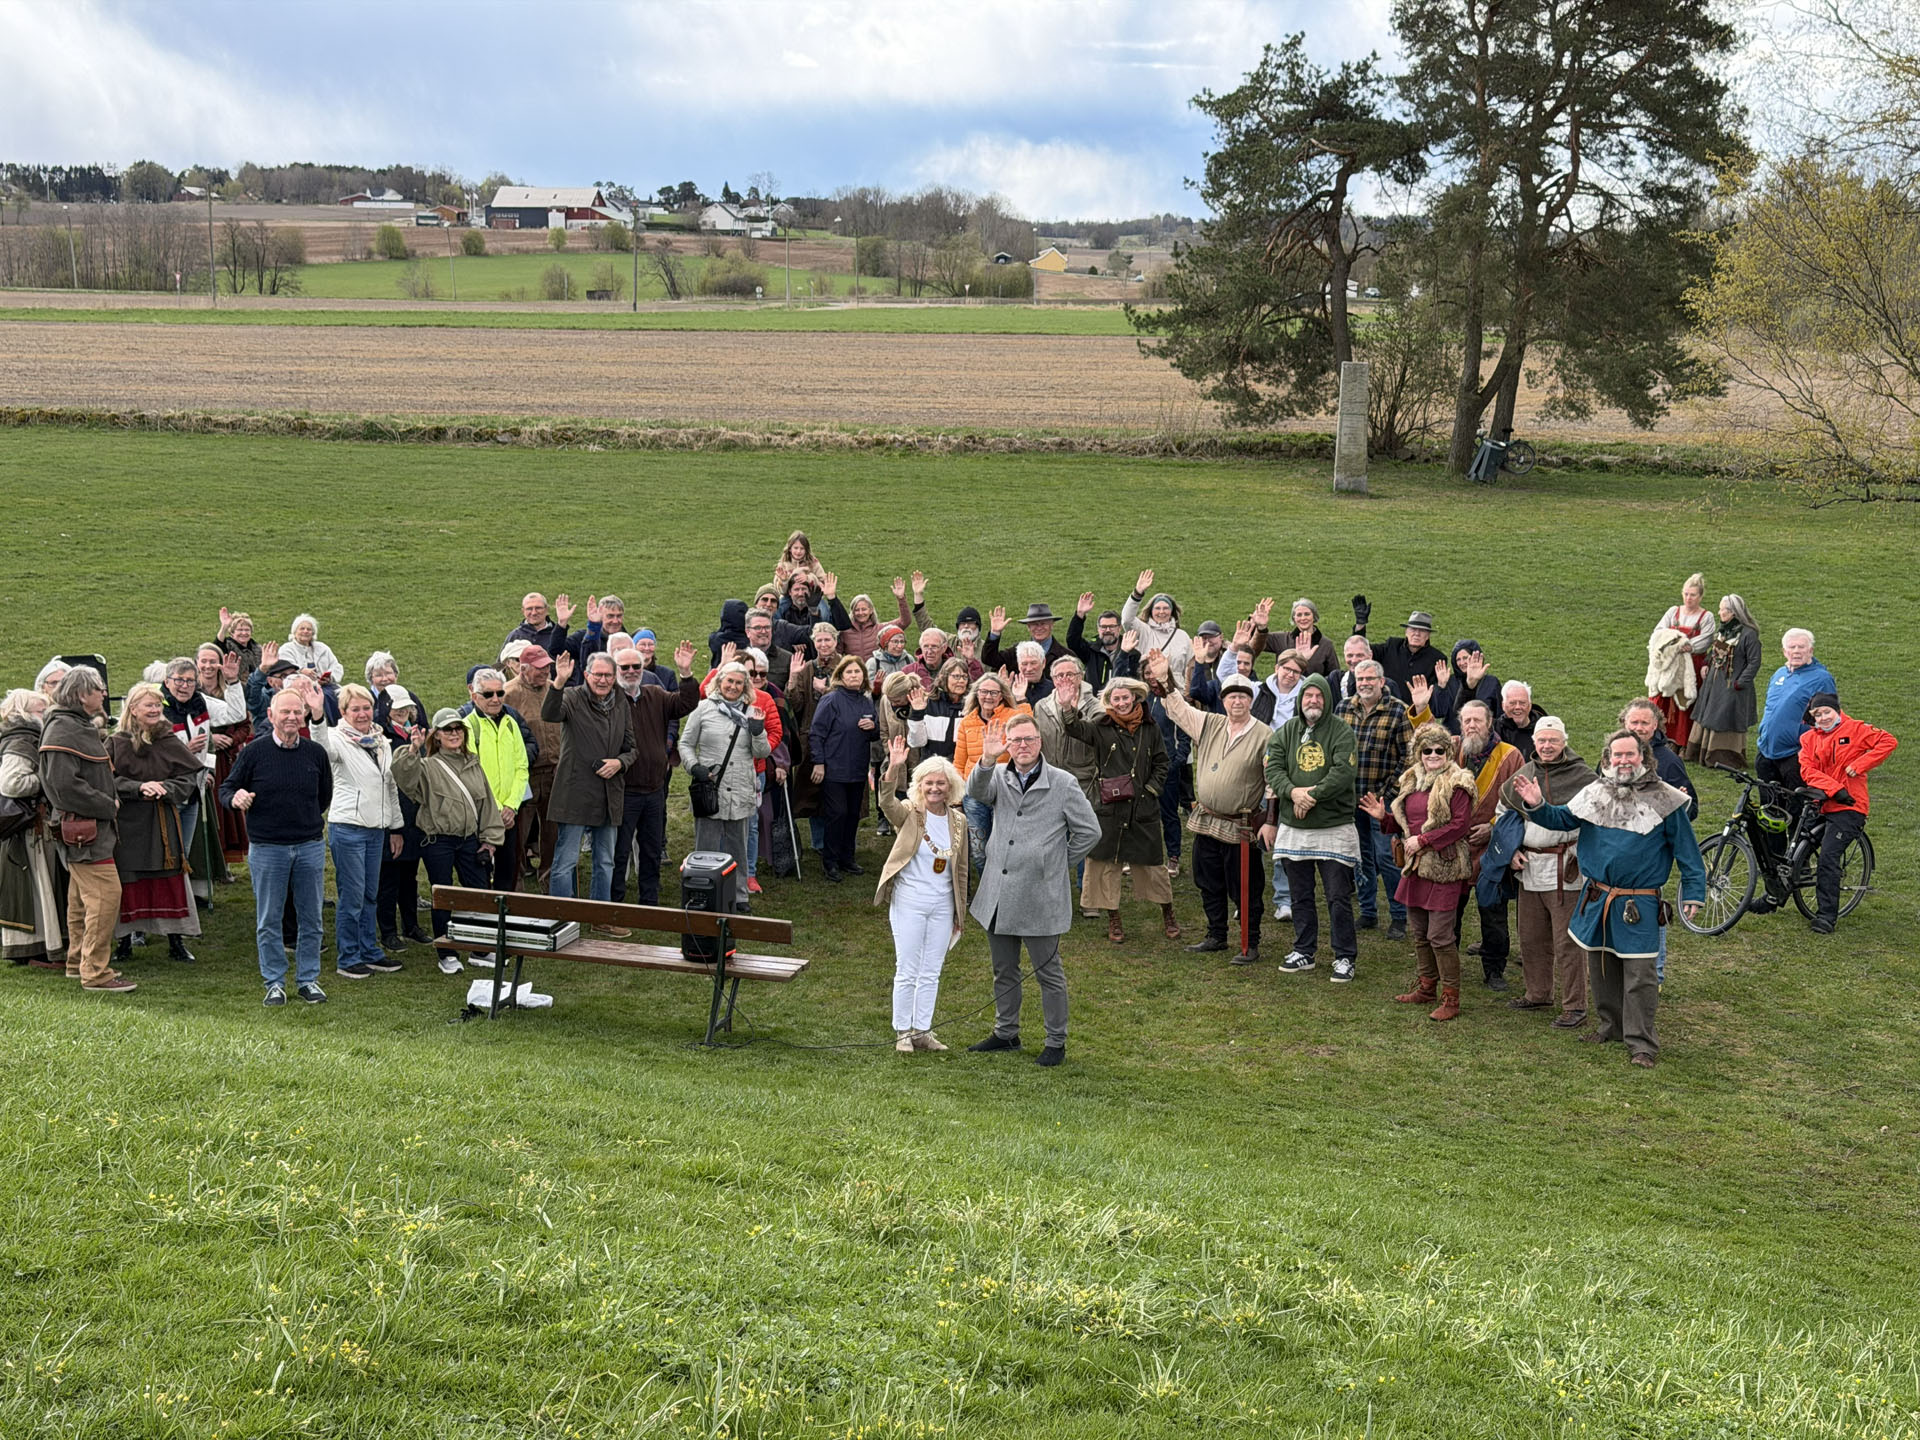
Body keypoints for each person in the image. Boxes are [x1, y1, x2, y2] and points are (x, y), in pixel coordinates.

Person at [1512, 730, 1706, 1068]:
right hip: (1597, 897)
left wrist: (1694, 890)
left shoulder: (1666, 799)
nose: (1623, 761)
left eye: (1630, 755)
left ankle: (1641, 1042)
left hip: (1639, 903)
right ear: (1607, 759)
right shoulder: (1595, 793)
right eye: (1617, 755)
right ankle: (1610, 1026)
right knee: (1602, 967)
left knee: (1640, 974)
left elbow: (1687, 850)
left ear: (1644, 758)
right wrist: (1537, 804)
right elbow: (1561, 820)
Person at [965, 714, 1101, 1067]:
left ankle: (1056, 1041)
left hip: (1041, 895)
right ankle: (1006, 1032)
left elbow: (1089, 832)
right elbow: (975, 794)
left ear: (1040, 742)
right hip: (998, 892)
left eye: (1029, 739)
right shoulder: (997, 774)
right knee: (1003, 969)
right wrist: (986, 760)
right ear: (1007, 744)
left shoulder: (1064, 782)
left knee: (1048, 972)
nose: (1022, 746)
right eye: (1016, 741)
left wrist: (1054, 863)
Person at [1148, 652, 1272, 964]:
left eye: (1243, 697)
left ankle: (1250, 942)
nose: (1237, 703)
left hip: (1240, 825)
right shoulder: (1211, 723)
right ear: (1224, 700)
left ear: (1251, 700)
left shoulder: (1265, 735)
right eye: (1231, 697)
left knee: (1245, 887)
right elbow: (1178, 709)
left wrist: (1270, 819)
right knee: (1207, 880)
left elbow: (1273, 780)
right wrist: (1164, 679)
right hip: (1207, 820)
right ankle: (1216, 934)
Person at [221, 687, 334, 1005]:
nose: (291, 717)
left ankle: (308, 979)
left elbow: (323, 796)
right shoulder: (254, 753)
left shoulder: (315, 753)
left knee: (311, 918)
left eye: (297, 712)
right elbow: (226, 787)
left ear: (304, 716)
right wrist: (236, 798)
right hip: (268, 849)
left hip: (309, 846)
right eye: (284, 712)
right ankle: (274, 982)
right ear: (270, 716)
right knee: (269, 919)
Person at [1359, 723, 1477, 1020]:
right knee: (1420, 932)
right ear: (1419, 753)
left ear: (1448, 752)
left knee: (1440, 935)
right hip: (1415, 867)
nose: (1433, 755)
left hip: (1445, 866)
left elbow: (1460, 825)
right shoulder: (1412, 779)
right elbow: (1405, 825)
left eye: (1439, 750)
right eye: (1427, 750)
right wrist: (1384, 819)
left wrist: (1423, 840)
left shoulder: (1459, 781)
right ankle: (1426, 987)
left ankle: (1450, 998)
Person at [1061, 676, 1179, 943]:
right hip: (1109, 809)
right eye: (1116, 699)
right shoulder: (1101, 726)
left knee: (1152, 865)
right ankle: (1114, 919)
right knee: (1105, 865)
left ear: (1135, 698)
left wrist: (1150, 790)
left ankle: (1168, 913)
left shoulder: (1151, 727)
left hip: (1143, 808)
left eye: (1126, 697)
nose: (1122, 703)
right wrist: (1068, 707)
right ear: (1109, 702)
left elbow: (1162, 761)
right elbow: (1075, 729)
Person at [40, 668, 133, 992]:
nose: (103, 694)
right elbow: (64, 786)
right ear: (81, 694)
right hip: (85, 831)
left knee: (81, 900)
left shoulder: (72, 726)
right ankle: (95, 972)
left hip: (86, 829)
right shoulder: (64, 729)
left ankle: (76, 962)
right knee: (107, 896)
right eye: (98, 689)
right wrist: (108, 805)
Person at [1497, 717, 1595, 1025]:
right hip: (1529, 868)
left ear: (1564, 742)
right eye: (1542, 741)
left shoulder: (1583, 777)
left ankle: (1575, 1005)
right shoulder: (1524, 775)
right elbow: (1504, 817)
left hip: (1565, 869)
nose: (1547, 746)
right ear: (1535, 743)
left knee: (1567, 942)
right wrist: (1511, 851)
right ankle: (1537, 992)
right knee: (1531, 937)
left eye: (1553, 740)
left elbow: (1595, 820)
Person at [875, 735, 970, 1053]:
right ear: (921, 785)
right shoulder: (910, 813)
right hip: (910, 901)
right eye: (929, 783)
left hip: (943, 905)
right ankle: (902, 1031)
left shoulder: (959, 821)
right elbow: (886, 803)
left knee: (932, 970)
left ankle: (922, 1031)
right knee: (907, 967)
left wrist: (960, 912)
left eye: (941, 783)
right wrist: (894, 767)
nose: (935, 789)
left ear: (951, 786)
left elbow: (961, 870)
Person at [305, 680, 403, 980]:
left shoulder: (381, 740)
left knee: (370, 894)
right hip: (348, 827)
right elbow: (320, 748)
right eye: (355, 709)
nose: (362, 714)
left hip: (377, 830)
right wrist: (318, 716)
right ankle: (348, 957)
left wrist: (396, 826)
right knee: (352, 895)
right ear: (344, 712)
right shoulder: (336, 739)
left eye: (366, 708)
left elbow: (390, 786)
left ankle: (369, 951)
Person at [392, 708, 503, 972]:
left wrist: (490, 840)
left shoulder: (474, 764)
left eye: (458, 729)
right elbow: (403, 777)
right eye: (447, 729)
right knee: (443, 895)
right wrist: (413, 750)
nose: (454, 734)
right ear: (437, 735)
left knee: (479, 894)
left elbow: (486, 804)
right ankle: (447, 952)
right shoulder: (428, 765)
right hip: (437, 840)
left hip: (469, 840)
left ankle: (480, 949)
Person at [1267, 673, 1361, 981]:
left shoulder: (1341, 731)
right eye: (1308, 696)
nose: (1313, 701)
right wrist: (1293, 793)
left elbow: (1343, 772)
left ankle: (1345, 956)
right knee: (1300, 894)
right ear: (1299, 699)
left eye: (1318, 696)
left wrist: (1312, 796)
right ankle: (1304, 950)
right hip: (1295, 826)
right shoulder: (1286, 732)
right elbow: (1275, 768)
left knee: (1337, 895)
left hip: (1333, 825)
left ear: (1327, 699)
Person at [107, 682, 205, 967]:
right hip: (128, 826)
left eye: (156, 706)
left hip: (162, 823)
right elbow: (107, 780)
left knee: (170, 878)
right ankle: (124, 942)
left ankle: (177, 941)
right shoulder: (116, 743)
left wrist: (165, 787)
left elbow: (188, 778)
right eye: (147, 705)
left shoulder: (169, 741)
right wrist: (139, 787)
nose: (154, 710)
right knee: (129, 881)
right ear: (133, 709)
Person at [1796, 692, 1896, 934]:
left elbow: (1888, 741)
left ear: (1837, 710)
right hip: (1823, 802)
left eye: (1826, 712)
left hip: (1850, 806)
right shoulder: (1809, 739)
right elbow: (1807, 770)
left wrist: (1859, 765)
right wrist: (1834, 788)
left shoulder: (1856, 729)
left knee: (1829, 858)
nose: (1823, 717)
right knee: (1794, 851)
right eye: (1817, 714)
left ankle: (1826, 916)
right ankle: (1773, 896)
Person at [609, 641, 701, 905]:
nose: (630, 671)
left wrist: (685, 674)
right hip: (623, 790)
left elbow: (686, 704)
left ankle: (649, 902)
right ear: (616, 670)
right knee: (619, 851)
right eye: (624, 667)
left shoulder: (656, 694)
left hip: (654, 790)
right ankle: (615, 903)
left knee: (651, 851)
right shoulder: (609, 699)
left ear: (643, 667)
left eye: (635, 666)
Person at [542, 652, 635, 908]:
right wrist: (559, 682)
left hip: (608, 795)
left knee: (605, 861)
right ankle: (560, 917)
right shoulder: (571, 697)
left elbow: (632, 748)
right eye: (598, 675)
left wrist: (620, 763)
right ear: (586, 675)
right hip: (575, 793)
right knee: (566, 862)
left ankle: (599, 917)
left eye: (608, 675)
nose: (603, 680)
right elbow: (549, 714)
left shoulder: (621, 703)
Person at [678, 659, 771, 907]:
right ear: (719, 681)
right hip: (710, 787)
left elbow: (762, 753)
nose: (733, 686)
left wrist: (758, 730)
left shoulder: (752, 712)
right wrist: (694, 767)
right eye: (729, 681)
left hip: (740, 788)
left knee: (737, 848)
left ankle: (739, 897)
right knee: (705, 847)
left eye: (739, 683)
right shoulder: (703, 709)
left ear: (745, 686)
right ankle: (702, 893)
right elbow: (685, 743)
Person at [1336, 658, 1413, 941]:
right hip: (1351, 798)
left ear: (1382, 682)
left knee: (1387, 855)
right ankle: (1368, 911)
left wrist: (1388, 793)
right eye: (1360, 679)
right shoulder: (1344, 707)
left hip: (1383, 801)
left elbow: (1409, 756)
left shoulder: (1398, 712)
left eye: (1370, 679)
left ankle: (1399, 915)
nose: (1365, 684)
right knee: (1359, 856)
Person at [160, 653, 245, 899]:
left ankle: (182, 899)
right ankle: (167, 898)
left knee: (185, 848)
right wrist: (185, 751)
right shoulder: (156, 706)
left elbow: (235, 715)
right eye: (179, 680)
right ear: (167, 682)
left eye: (189, 680)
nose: (185, 686)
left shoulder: (201, 703)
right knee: (167, 847)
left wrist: (233, 682)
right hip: (166, 787)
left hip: (195, 788)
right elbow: (149, 750)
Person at [1454, 700, 1524, 989]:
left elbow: (1519, 805)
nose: (1472, 725)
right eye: (1466, 720)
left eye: (1477, 720)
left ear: (1489, 722)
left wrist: (1492, 828)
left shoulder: (1510, 756)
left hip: (1490, 850)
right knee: (1449, 911)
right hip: (1454, 847)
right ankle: (1446, 964)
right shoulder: (1453, 750)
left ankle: (1494, 969)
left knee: (1493, 911)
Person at [0, 689, 63, 969]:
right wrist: (46, 781)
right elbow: (11, 784)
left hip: (28, 827)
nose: (45, 715)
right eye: (40, 710)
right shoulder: (21, 739)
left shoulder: (22, 736)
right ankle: (36, 951)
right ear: (24, 712)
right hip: (28, 827)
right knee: (36, 888)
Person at [460, 667, 531, 892]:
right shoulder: (468, 727)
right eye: (488, 694)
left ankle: (504, 921)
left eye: (500, 693)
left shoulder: (511, 723)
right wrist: (498, 809)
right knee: (480, 876)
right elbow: (472, 773)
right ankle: (483, 923)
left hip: (509, 814)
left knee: (507, 872)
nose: (495, 699)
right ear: (474, 696)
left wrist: (512, 805)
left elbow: (522, 767)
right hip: (482, 815)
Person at [810, 655, 878, 883]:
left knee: (852, 815)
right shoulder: (831, 700)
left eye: (857, 672)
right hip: (835, 768)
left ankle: (847, 858)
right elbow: (817, 733)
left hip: (858, 768)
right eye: (849, 672)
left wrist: (872, 727)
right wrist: (819, 762)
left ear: (863, 676)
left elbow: (875, 734)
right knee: (837, 813)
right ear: (840, 676)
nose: (853, 676)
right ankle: (830, 861)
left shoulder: (866, 701)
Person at [953, 672, 1031, 868]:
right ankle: (986, 894)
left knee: (1003, 848)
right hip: (974, 795)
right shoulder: (967, 722)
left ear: (1001, 695)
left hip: (1005, 791)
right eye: (984, 692)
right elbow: (959, 763)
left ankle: (1003, 893)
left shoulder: (1012, 717)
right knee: (979, 851)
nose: (988, 697)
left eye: (993, 693)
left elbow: (1030, 731)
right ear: (977, 694)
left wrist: (1022, 699)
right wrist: (957, 798)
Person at [502, 642, 562, 889]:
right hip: (524, 774)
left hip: (555, 771)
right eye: (539, 668)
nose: (545, 672)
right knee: (519, 832)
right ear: (523, 669)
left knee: (552, 831)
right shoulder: (508, 694)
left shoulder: (554, 689)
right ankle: (516, 882)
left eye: (547, 667)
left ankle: (549, 879)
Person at [374, 689, 429, 950]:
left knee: (409, 875)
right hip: (390, 816)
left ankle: (411, 925)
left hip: (414, 815)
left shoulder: (415, 734)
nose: (402, 713)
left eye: (406, 709)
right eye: (397, 709)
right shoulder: (382, 738)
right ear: (386, 710)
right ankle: (388, 931)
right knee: (389, 878)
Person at [1686, 595, 1763, 769]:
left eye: (1723, 609)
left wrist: (1739, 683)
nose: (1719, 612)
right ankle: (1701, 751)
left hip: (1732, 686)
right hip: (1715, 684)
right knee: (1710, 714)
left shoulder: (1749, 635)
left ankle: (1723, 756)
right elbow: (1715, 651)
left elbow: (1754, 662)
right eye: (1720, 608)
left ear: (1734, 612)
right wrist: (1706, 663)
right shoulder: (1724, 631)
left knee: (1724, 716)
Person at [1652, 573, 1715, 750]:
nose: (1689, 598)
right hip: (1670, 665)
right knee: (1663, 699)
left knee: (1685, 701)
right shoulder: (1673, 612)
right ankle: (1660, 737)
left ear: (1700, 596)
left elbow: (1706, 639)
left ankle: (1683, 742)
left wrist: (1687, 645)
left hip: (1691, 666)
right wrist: (1675, 645)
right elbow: (1659, 632)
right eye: (1686, 594)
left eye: (1693, 595)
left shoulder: (1706, 617)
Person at [1352, 601, 1444, 696]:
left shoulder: (1437, 659)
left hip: (1415, 709)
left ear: (1428, 635)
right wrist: (1360, 625)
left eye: (1422, 630)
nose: (1417, 633)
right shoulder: (1391, 646)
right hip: (1386, 706)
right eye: (1413, 629)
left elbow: (1437, 695)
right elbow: (1364, 651)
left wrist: (1442, 685)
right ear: (1406, 632)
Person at [1120, 570, 1194, 688]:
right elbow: (1126, 619)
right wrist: (1137, 593)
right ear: (1151, 611)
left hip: (1176, 692)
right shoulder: (1143, 630)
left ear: (1171, 611)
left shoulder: (1182, 636)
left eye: (1165, 608)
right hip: (1150, 690)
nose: (1161, 612)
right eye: (1157, 608)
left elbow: (1189, 668)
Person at [1415, 639, 1500, 733]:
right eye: (1458, 659)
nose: (1462, 663)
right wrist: (1441, 687)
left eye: (1465, 658)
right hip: (1454, 737)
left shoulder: (1491, 682)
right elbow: (1439, 712)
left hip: (1483, 736)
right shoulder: (1449, 681)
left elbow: (1499, 714)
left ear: (1475, 657)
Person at [909, 657, 973, 764]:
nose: (961, 681)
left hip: (960, 767)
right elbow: (917, 742)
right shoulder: (928, 703)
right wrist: (917, 714)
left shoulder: (971, 706)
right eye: (956, 676)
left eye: (964, 677)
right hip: (931, 766)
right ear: (944, 677)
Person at [1256, 596, 1338, 677]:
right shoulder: (1281, 639)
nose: (1303, 618)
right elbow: (1254, 641)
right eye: (1299, 615)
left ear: (1314, 616)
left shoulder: (1326, 644)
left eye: (1307, 614)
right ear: (1294, 619)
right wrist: (1260, 625)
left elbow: (1334, 676)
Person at [1067, 594, 1137, 689]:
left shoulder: (1132, 653)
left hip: (1120, 701)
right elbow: (1072, 640)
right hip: (1094, 701)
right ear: (1098, 629)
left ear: (1119, 628)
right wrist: (1079, 615)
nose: (1107, 630)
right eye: (1103, 627)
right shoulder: (1090, 650)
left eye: (1112, 626)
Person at [983, 603, 1069, 673]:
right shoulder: (1016, 652)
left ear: (1052, 625)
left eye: (1043, 623)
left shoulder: (1065, 656)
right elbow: (990, 659)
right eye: (1034, 624)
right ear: (1028, 627)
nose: (1039, 628)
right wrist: (995, 632)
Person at [281, 614, 344, 685]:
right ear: (295, 632)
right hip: (299, 688)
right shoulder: (286, 649)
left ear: (313, 633)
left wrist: (329, 677)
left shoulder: (322, 648)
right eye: (302, 628)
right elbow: (285, 669)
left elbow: (336, 666)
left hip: (326, 686)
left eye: (309, 629)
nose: (305, 631)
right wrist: (301, 671)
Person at [508, 592, 571, 659]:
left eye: (538, 608)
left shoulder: (558, 636)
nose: (534, 613)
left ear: (547, 609)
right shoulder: (515, 636)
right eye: (529, 609)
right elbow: (500, 666)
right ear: (523, 611)